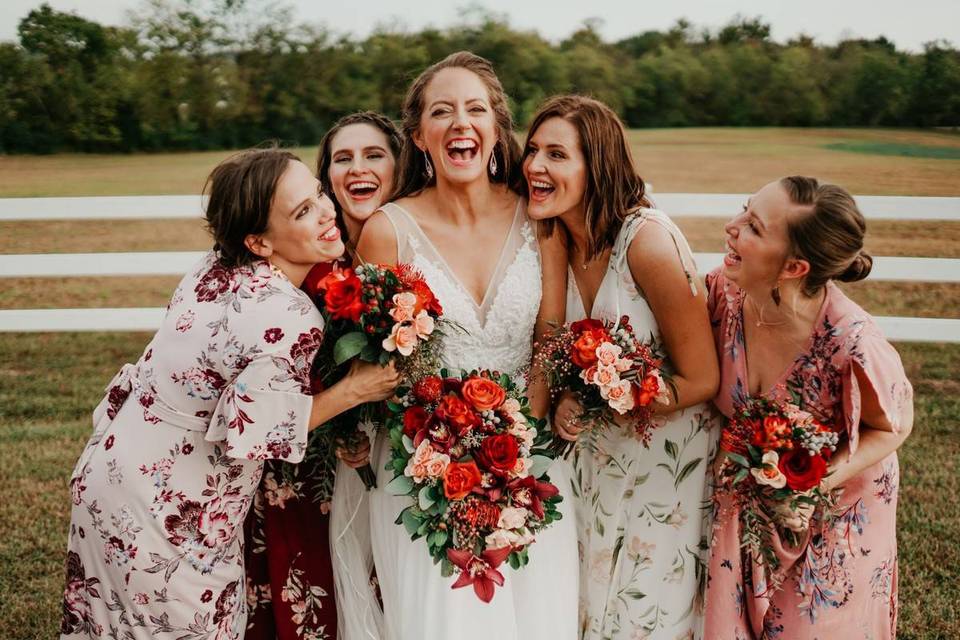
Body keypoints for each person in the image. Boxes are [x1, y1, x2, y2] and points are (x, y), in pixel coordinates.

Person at [60, 149, 400, 639]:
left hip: (108, 472)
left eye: (318, 195)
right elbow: (257, 431)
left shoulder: (213, 267)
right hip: (172, 510)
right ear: (259, 241)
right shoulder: (289, 315)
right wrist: (355, 390)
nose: (327, 212)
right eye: (302, 211)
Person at [347, 51, 577, 640]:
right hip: (425, 473)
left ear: (497, 129)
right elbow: (383, 365)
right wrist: (451, 454)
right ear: (420, 136)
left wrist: (517, 448)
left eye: (475, 109)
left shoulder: (538, 217)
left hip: (531, 463)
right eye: (441, 112)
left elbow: (549, 334)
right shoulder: (388, 231)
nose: (460, 123)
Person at [524, 95, 719, 639]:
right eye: (533, 150)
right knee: (593, 605)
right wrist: (570, 394)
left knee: (644, 613)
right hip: (598, 461)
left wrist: (605, 393)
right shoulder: (557, 237)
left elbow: (702, 378)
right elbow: (557, 342)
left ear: (597, 166)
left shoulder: (647, 242)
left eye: (557, 154)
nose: (536, 166)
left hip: (665, 464)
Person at [702, 176, 914, 639]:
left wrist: (812, 487)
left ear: (794, 267)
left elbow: (894, 426)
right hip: (749, 510)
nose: (731, 227)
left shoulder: (852, 343)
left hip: (838, 512)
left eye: (753, 227)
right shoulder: (722, 292)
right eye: (743, 210)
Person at [243, 113, 402, 640]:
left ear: (401, 167)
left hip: (397, 464)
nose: (358, 168)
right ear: (326, 178)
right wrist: (338, 429)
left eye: (374, 155)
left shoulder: (414, 253)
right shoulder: (301, 262)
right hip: (307, 467)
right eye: (342, 158)